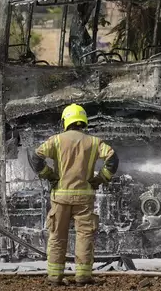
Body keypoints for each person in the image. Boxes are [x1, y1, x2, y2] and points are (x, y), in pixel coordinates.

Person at [27, 103, 119, 285]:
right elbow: (113, 159)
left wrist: (49, 175)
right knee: (84, 236)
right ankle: (83, 277)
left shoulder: (56, 140)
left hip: (60, 198)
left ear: (65, 121)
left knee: (57, 237)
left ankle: (54, 277)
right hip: (84, 198)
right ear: (83, 121)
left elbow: (35, 157)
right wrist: (101, 178)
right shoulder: (93, 142)